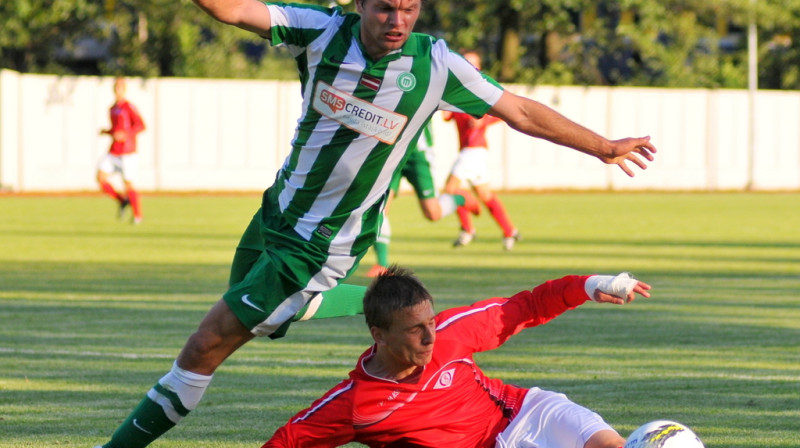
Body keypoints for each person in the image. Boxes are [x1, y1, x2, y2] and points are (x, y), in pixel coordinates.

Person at [94, 0, 656, 446]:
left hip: (320, 245)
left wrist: (604, 147)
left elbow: (520, 110)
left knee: (204, 347)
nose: (398, 20)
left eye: (409, 8)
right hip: (275, 215)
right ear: (359, 4)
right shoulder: (320, 30)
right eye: (385, 7)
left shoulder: (436, 64)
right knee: (255, 317)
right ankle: (329, 304)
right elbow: (232, 9)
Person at [263, 266, 652, 447]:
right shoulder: (356, 404)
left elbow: (525, 306)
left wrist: (588, 285)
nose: (429, 336)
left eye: (431, 322)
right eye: (415, 329)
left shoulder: (452, 332)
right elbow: (289, 440)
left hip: (529, 412)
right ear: (378, 334)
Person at [366, 121, 480, 277]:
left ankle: (461, 198)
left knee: (432, 213)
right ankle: (382, 264)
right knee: (381, 206)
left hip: (418, 153)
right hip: (392, 151)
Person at [442, 51, 520, 250]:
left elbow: (504, 112)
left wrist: (483, 121)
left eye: (472, 63)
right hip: (471, 150)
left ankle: (467, 229)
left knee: (450, 190)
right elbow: (447, 116)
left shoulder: (483, 87)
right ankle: (510, 231)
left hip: (474, 149)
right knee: (484, 194)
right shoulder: (456, 89)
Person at [97, 77, 146, 224]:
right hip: (114, 150)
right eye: (115, 87)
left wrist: (126, 135)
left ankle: (137, 215)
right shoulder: (112, 108)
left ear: (124, 90)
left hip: (127, 152)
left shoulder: (129, 107)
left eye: (120, 87)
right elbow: (116, 129)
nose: (117, 90)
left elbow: (141, 125)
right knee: (101, 178)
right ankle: (122, 200)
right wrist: (107, 132)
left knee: (128, 184)